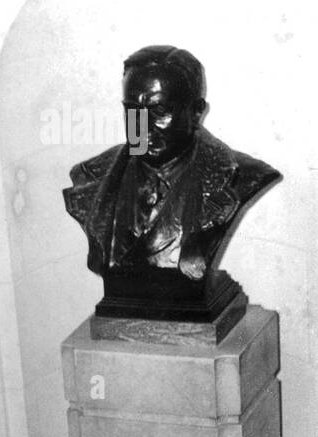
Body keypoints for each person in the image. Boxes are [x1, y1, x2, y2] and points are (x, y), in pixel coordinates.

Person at [63, 45, 279, 288]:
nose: (142, 128)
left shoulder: (243, 176)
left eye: (159, 111)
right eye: (133, 111)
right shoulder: (91, 176)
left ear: (196, 111)